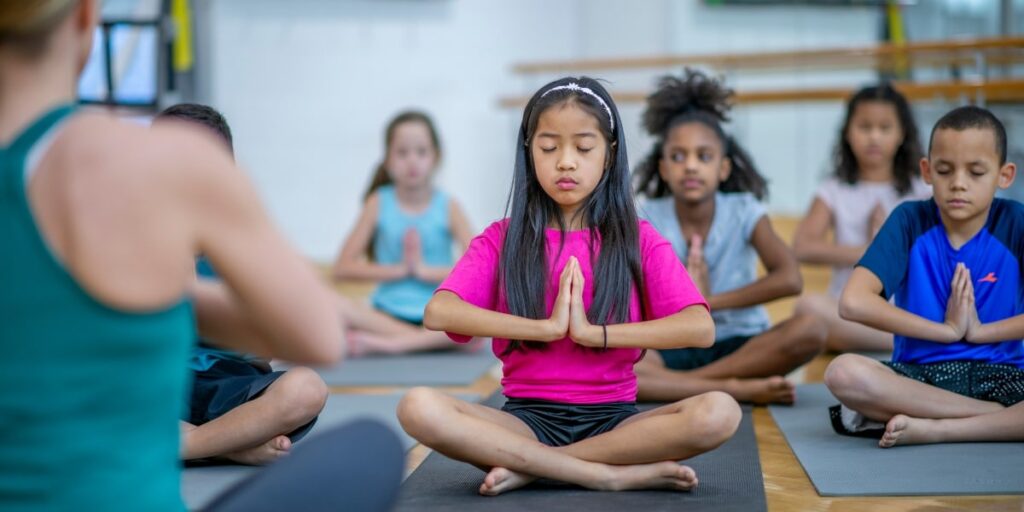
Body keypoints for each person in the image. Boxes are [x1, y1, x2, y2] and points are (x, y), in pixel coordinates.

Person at [0, 2, 402, 509]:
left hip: (198, 397)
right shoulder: (158, 161)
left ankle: (199, 443)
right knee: (373, 444)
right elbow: (319, 333)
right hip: (131, 479)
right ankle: (207, 445)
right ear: (85, 17)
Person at [397, 77, 741, 496]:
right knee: (417, 406)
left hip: (616, 421)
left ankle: (539, 468)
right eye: (548, 148)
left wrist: (593, 334)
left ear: (609, 155)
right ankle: (604, 473)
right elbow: (440, 312)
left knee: (719, 412)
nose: (565, 162)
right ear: (529, 152)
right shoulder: (502, 238)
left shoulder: (637, 237)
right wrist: (545, 327)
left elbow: (699, 328)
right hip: (524, 421)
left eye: (583, 148)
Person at [823, 106, 1024, 448]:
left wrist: (980, 332)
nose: (958, 183)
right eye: (945, 170)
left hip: (1007, 375)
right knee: (842, 373)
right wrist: (944, 331)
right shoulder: (908, 220)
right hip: (922, 378)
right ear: (927, 171)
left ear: (1004, 176)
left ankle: (939, 428)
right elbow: (853, 303)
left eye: (976, 172)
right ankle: (992, 419)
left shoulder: (1015, 221)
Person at [633, 69, 825, 405]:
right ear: (663, 168)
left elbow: (790, 279)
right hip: (673, 345)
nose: (691, 166)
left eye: (703, 156)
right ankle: (732, 388)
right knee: (617, 361)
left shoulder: (743, 209)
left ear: (723, 168)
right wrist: (680, 309)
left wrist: (704, 303)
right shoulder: (648, 216)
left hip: (740, 341)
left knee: (812, 329)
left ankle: (684, 386)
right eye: (678, 157)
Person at [793, 84, 931, 352]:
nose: (874, 137)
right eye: (865, 127)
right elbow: (802, 247)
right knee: (806, 307)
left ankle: (915, 335)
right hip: (851, 312)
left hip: (906, 311)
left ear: (902, 133)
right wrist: (870, 252)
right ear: (848, 133)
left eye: (885, 128)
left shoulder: (923, 191)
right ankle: (912, 341)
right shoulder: (834, 189)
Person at [333, 111, 478, 355]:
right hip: (386, 315)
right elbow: (342, 268)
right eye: (402, 153)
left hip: (437, 315)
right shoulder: (378, 202)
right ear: (388, 160)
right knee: (336, 306)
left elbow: (478, 270)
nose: (412, 161)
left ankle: (394, 344)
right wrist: (400, 270)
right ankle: (419, 342)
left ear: (435, 157)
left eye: (421, 152)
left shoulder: (448, 205)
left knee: (480, 322)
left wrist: (423, 271)